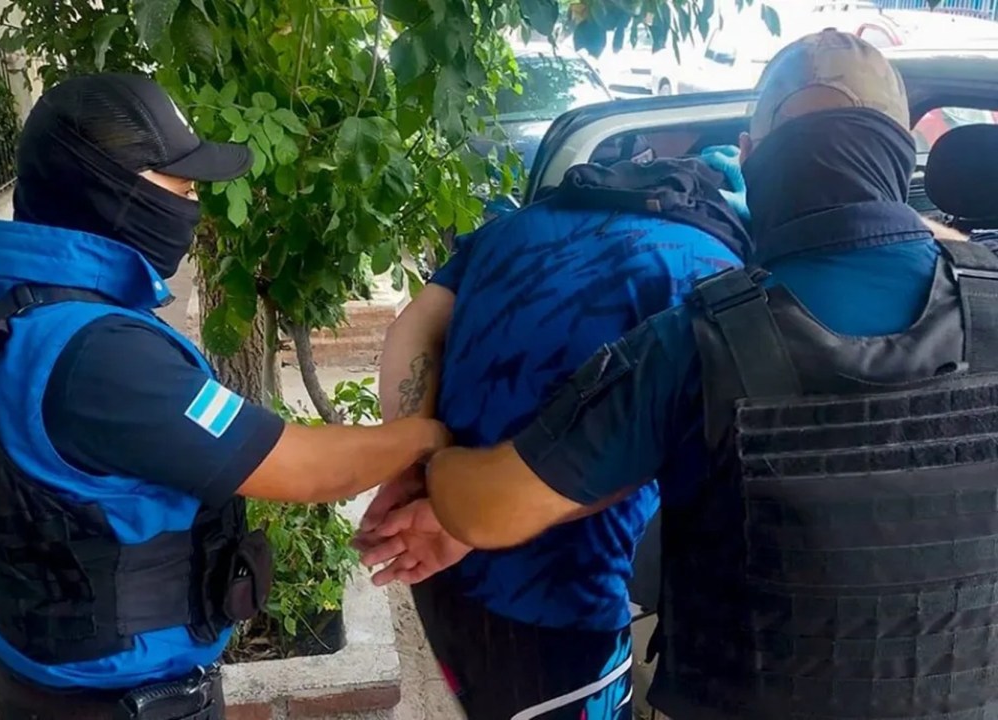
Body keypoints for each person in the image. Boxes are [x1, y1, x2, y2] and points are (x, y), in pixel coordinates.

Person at [388, 30, 998, 718]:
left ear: (749, 156)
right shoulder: (988, 300)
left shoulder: (698, 338)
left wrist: (428, 456)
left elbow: (485, 508)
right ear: (902, 151)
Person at [0, 74, 447, 720]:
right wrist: (427, 436)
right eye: (180, 184)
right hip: (120, 698)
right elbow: (307, 469)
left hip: (26, 654)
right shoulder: (101, 358)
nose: (194, 202)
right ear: (108, 189)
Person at [355, 143, 751, 717]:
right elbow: (634, 447)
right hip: (559, 596)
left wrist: (414, 467)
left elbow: (413, 327)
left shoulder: (512, 226)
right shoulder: (712, 274)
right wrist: (466, 518)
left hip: (437, 560)